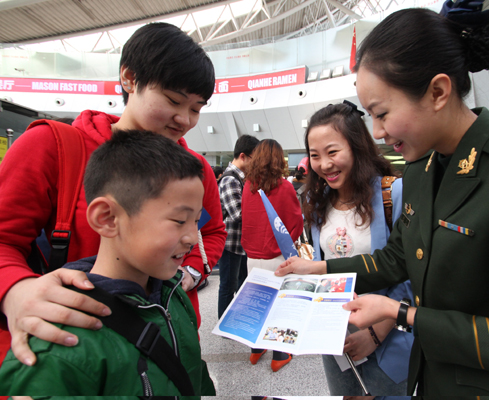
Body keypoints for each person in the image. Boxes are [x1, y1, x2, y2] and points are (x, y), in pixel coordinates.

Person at [277, 2, 489, 396]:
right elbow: (395, 258)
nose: (376, 133)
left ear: (438, 92)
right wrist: (320, 270)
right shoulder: (421, 171)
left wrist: (400, 314)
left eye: (381, 114)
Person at [0, 22, 226, 367]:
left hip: (165, 347)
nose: (184, 119)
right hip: (71, 350)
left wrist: (188, 273)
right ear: (129, 79)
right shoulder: (53, 148)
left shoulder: (194, 170)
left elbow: (209, 231)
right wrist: (15, 290)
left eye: (196, 108)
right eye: (173, 100)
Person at [0, 130, 215, 395]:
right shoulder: (60, 341)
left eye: (196, 221)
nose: (193, 238)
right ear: (108, 218)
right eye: (180, 221)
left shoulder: (174, 292)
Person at [300, 102, 413, 396]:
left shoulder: (393, 194)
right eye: (315, 155)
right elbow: (322, 270)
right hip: (336, 339)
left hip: (386, 333)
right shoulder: (317, 203)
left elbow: (410, 272)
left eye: (333, 151)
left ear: (356, 147)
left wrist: (376, 333)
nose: (324, 164)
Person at [240, 139, 304, 372]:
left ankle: (256, 350)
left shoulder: (249, 186)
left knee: (258, 304)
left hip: (252, 257)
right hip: (277, 258)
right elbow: (295, 223)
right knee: (280, 307)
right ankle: (280, 354)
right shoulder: (284, 187)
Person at [218, 134, 260, 318]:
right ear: (243, 156)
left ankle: (237, 318)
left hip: (239, 244)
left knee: (242, 283)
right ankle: (225, 323)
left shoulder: (240, 179)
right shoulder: (230, 179)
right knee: (228, 285)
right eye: (254, 159)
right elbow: (237, 215)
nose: (255, 163)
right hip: (229, 244)